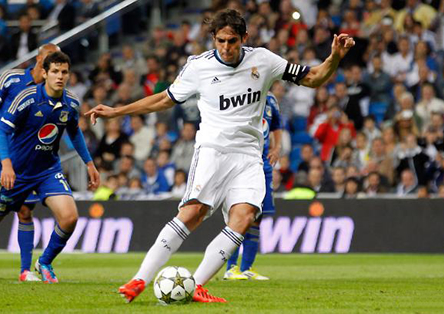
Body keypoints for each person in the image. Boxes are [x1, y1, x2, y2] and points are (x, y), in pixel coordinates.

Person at [87, 9, 354, 303]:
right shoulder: (198, 68)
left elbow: (313, 78)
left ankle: (196, 284)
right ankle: (139, 278)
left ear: (244, 38)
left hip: (249, 155)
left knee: (245, 216)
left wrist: (334, 58)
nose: (226, 48)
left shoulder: (263, 60)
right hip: (213, 151)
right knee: (193, 213)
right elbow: (164, 99)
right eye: (220, 41)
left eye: (232, 41)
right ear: (213, 39)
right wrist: (117, 111)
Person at [0, 51, 100, 283]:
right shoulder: (26, 97)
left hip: (47, 171)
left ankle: (44, 262)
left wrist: (89, 163)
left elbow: (74, 132)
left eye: (64, 72)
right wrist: (5, 165)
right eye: (55, 71)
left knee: (69, 217)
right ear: (45, 73)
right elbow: (3, 130)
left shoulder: (72, 103)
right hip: (16, 171)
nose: (60, 76)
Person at [0, 43, 59, 282]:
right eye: (48, 59)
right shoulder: (10, 78)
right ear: (38, 59)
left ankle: (25, 271)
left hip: (25, 159)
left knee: (25, 210)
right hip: (2, 153)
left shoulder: (51, 90)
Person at [224, 92, 282, 281]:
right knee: (238, 214)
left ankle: (247, 267)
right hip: (241, 163)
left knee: (257, 217)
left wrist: (277, 147)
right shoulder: (241, 91)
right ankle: (230, 268)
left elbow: (276, 126)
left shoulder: (271, 100)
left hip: (262, 165)